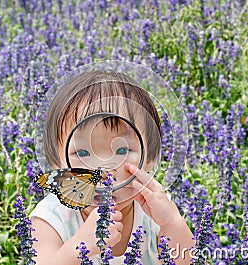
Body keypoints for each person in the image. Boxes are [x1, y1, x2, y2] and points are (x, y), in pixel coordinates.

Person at [30, 70, 195, 264]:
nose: (104, 170)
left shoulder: (154, 212)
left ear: (151, 158)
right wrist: (78, 247)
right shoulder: (51, 219)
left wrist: (172, 223)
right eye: (82, 153)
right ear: (56, 165)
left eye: (121, 150)